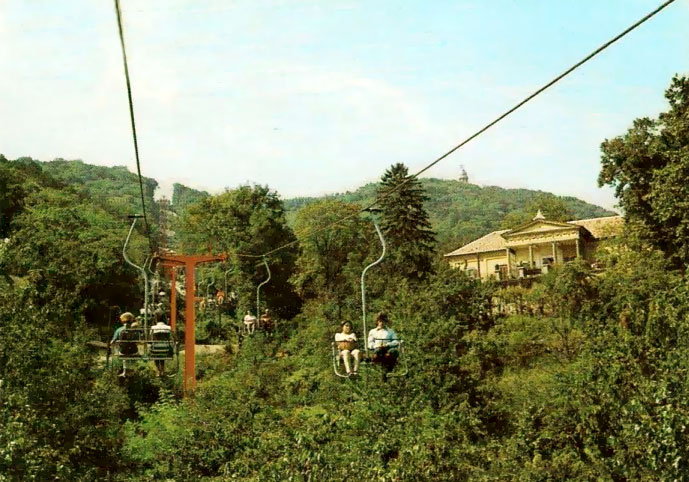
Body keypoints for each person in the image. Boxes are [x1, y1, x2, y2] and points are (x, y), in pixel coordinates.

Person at [110, 312, 139, 377]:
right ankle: (131, 370)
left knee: (124, 353)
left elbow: (113, 341)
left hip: (123, 351)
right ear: (131, 320)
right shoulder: (135, 330)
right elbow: (138, 340)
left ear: (122, 321)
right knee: (132, 353)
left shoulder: (119, 330)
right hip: (133, 351)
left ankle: (125, 371)